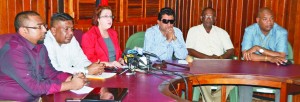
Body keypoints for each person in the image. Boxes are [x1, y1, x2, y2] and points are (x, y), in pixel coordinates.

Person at [0, 11, 86, 101]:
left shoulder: (40, 46)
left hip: (37, 97)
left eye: (44, 26)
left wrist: (70, 78)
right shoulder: (14, 51)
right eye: (39, 27)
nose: (45, 30)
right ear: (24, 31)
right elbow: (34, 87)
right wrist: (71, 85)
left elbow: (51, 73)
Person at [185, 7, 234, 102]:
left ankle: (212, 100)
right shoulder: (193, 31)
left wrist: (220, 58)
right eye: (206, 16)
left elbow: (231, 50)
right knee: (202, 79)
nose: (208, 18)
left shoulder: (222, 32)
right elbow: (189, 50)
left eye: (211, 16)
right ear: (201, 18)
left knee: (233, 81)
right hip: (200, 64)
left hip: (220, 64)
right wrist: (209, 58)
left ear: (215, 19)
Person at [240, 7, 288, 102]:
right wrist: (269, 58)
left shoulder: (281, 32)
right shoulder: (250, 31)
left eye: (271, 19)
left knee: (283, 85)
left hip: (275, 70)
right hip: (252, 69)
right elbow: (246, 55)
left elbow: (281, 56)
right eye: (265, 19)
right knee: (243, 83)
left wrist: (258, 48)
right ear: (258, 20)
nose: (269, 22)